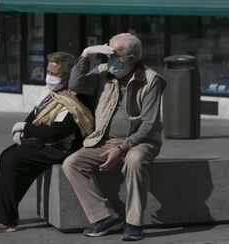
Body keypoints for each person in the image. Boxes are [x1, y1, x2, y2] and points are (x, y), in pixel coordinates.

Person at [62, 33, 166, 241]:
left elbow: (149, 124)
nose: (109, 60)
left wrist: (121, 149)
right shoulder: (103, 72)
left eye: (114, 55)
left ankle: (134, 224)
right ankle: (105, 217)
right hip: (104, 140)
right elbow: (74, 85)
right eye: (107, 54)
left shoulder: (150, 79)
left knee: (134, 161)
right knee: (72, 163)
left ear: (131, 58)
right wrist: (85, 55)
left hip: (140, 141)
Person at [0, 52, 94, 234]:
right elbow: (33, 116)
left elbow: (58, 131)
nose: (50, 77)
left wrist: (26, 129)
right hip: (46, 144)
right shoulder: (50, 93)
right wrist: (24, 132)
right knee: (8, 155)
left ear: (68, 76)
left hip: (62, 149)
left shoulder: (75, 99)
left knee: (13, 159)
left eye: (55, 74)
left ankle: (3, 220)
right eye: (48, 71)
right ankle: (3, 213)